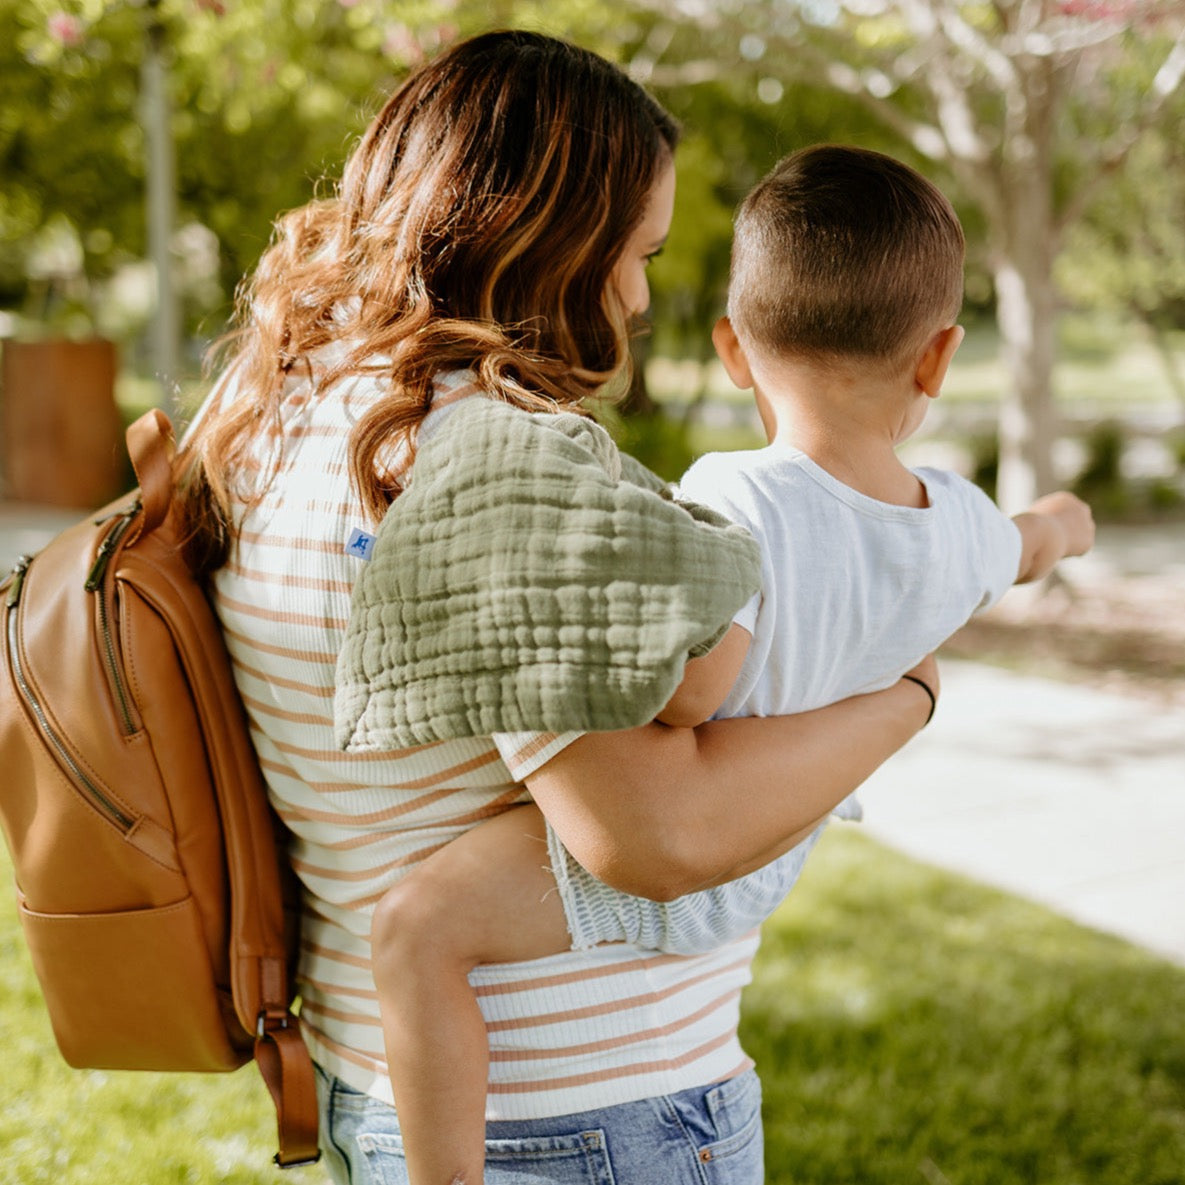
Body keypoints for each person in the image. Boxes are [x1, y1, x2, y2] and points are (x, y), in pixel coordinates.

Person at [177, 34, 940, 1185]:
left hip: (397, 1088)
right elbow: (653, 837)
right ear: (543, 236)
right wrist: (913, 696)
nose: (636, 296)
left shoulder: (280, 414)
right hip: (577, 1115)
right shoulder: (477, 460)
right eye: (634, 252)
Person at [368, 144, 1096, 1184]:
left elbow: (701, 685)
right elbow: (1030, 546)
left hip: (682, 867)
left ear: (732, 350)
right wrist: (1067, 524)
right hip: (770, 857)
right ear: (936, 359)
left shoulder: (735, 497)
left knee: (417, 929)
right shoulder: (960, 528)